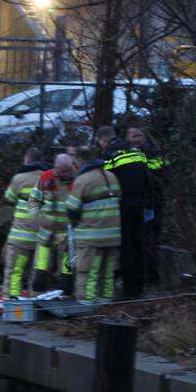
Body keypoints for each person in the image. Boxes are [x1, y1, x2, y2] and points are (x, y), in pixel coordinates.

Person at [103, 126, 157, 298]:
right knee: (139, 245)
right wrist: (149, 202)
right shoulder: (137, 153)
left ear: (104, 141)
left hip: (122, 205)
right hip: (140, 204)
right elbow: (148, 179)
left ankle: (128, 289)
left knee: (126, 247)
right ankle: (139, 287)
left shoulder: (109, 156)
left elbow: (106, 182)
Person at [66, 146, 121, 302]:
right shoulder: (111, 176)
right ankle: (106, 298)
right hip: (113, 235)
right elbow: (119, 200)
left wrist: (74, 224)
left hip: (90, 236)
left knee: (88, 270)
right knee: (108, 270)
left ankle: (87, 301)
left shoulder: (83, 180)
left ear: (80, 160)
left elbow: (72, 209)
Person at [1, 147, 45, 298]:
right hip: (41, 238)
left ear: (27, 160)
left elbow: (9, 197)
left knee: (14, 271)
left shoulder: (19, 178)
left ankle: (11, 302)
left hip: (20, 238)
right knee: (36, 273)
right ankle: (34, 303)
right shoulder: (49, 178)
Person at [29, 153, 76, 293]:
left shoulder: (79, 179)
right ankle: (36, 296)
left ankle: (66, 297)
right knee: (40, 271)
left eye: (69, 170)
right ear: (56, 168)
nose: (66, 174)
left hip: (68, 235)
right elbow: (33, 200)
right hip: (46, 233)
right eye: (63, 171)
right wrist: (36, 218)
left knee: (67, 273)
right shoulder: (45, 177)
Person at [126, 125, 166, 287]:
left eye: (139, 135)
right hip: (137, 204)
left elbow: (160, 172)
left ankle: (152, 279)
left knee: (150, 240)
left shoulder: (153, 153)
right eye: (133, 136)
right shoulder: (125, 154)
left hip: (152, 203)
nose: (136, 139)